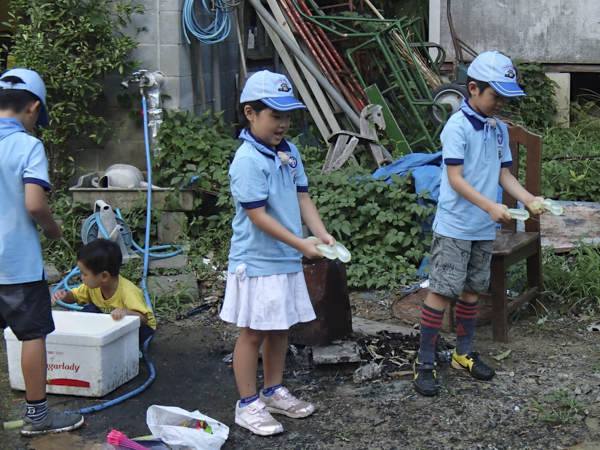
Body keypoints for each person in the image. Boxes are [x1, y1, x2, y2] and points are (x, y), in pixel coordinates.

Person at [412, 51, 546, 397]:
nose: (500, 103)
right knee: (442, 291)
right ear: (473, 88)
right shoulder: (457, 127)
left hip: (483, 228)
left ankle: (463, 353)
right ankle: (424, 362)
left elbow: (504, 174)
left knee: (472, 291)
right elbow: (455, 178)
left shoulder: (498, 129)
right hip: (456, 225)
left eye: (505, 97)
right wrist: (489, 206)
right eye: (495, 95)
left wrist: (529, 199)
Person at [220, 70, 335, 436]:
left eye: (287, 116)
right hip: (257, 260)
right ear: (250, 113)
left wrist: (320, 233)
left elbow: (303, 197)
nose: (283, 124)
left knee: (280, 327)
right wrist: (301, 243)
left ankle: (272, 391)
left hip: (285, 257)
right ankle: (247, 403)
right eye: (275, 115)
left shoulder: (290, 152)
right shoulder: (247, 160)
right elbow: (257, 216)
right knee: (253, 332)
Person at [0, 68, 84, 436]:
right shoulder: (27, 146)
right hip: (16, 264)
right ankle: (37, 419)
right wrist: (53, 229)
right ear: (33, 107)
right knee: (32, 335)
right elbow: (35, 204)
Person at [52, 238, 156, 347]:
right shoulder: (91, 287)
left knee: (130, 330)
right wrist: (64, 295)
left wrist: (126, 312)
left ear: (104, 276)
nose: (81, 278)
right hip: (111, 322)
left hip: (139, 326)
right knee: (88, 311)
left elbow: (144, 319)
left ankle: (130, 349)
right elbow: (74, 296)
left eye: (85, 274)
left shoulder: (129, 292)